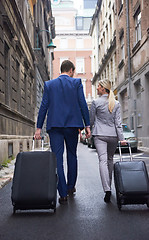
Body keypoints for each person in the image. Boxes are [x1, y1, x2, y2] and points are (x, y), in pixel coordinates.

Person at [34, 60, 91, 204]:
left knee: (57, 158)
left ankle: (63, 192)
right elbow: (82, 104)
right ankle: (71, 186)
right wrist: (87, 124)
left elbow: (44, 107)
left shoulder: (49, 85)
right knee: (72, 155)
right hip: (72, 126)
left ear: (61, 70)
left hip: (55, 126)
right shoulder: (76, 83)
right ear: (71, 70)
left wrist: (38, 128)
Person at [90, 79, 126, 203]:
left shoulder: (95, 102)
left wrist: (89, 130)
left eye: (99, 86)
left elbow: (92, 120)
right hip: (113, 136)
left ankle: (107, 189)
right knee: (110, 160)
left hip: (100, 134)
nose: (97, 88)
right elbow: (118, 123)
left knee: (103, 161)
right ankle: (109, 186)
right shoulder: (115, 103)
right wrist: (121, 139)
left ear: (103, 88)